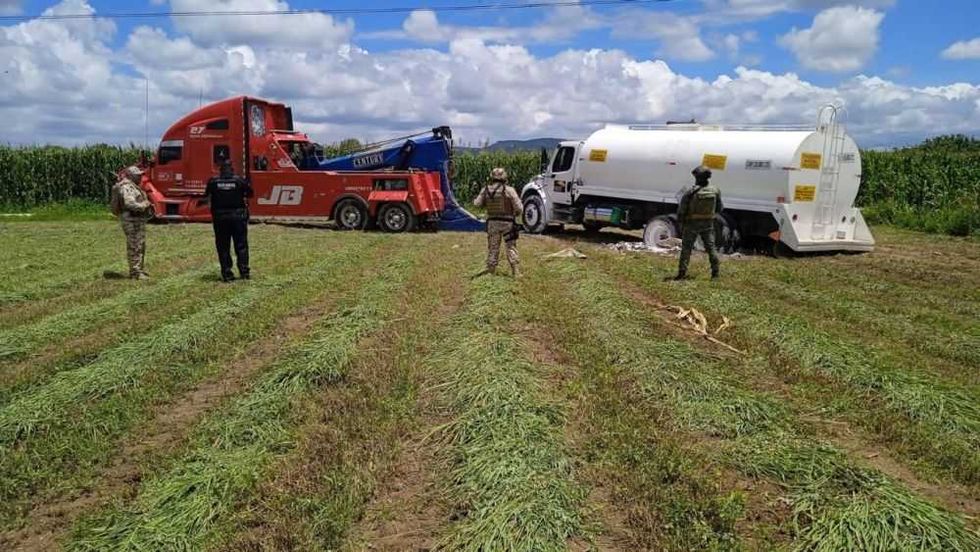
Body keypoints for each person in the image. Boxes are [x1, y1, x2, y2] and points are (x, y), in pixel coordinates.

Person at [204, 159, 253, 282]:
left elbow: (207, 195)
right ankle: (244, 272)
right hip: (238, 217)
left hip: (220, 218)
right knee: (241, 245)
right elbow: (251, 194)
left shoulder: (213, 182)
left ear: (220, 169)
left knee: (223, 246)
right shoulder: (239, 181)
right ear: (232, 169)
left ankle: (227, 273)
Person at [674, 165, 722, 280]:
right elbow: (719, 208)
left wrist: (681, 223)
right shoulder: (715, 190)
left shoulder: (690, 192)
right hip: (708, 224)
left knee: (686, 249)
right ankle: (715, 273)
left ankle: (682, 273)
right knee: (711, 248)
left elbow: (681, 211)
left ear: (697, 177)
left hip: (692, 224)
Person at [473, 167, 523, 277]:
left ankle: (491, 272)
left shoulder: (486, 190)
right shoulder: (509, 190)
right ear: (504, 177)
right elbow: (519, 208)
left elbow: (477, 204)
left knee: (493, 247)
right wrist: (515, 215)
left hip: (492, 223)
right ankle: (516, 272)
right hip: (508, 223)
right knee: (511, 246)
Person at [109, 165, 153, 280]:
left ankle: (139, 270)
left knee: (140, 244)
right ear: (131, 176)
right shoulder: (127, 187)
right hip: (131, 220)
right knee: (135, 245)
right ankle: (135, 273)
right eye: (138, 175)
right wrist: (144, 205)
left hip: (136, 219)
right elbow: (129, 204)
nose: (140, 177)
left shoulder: (133, 186)